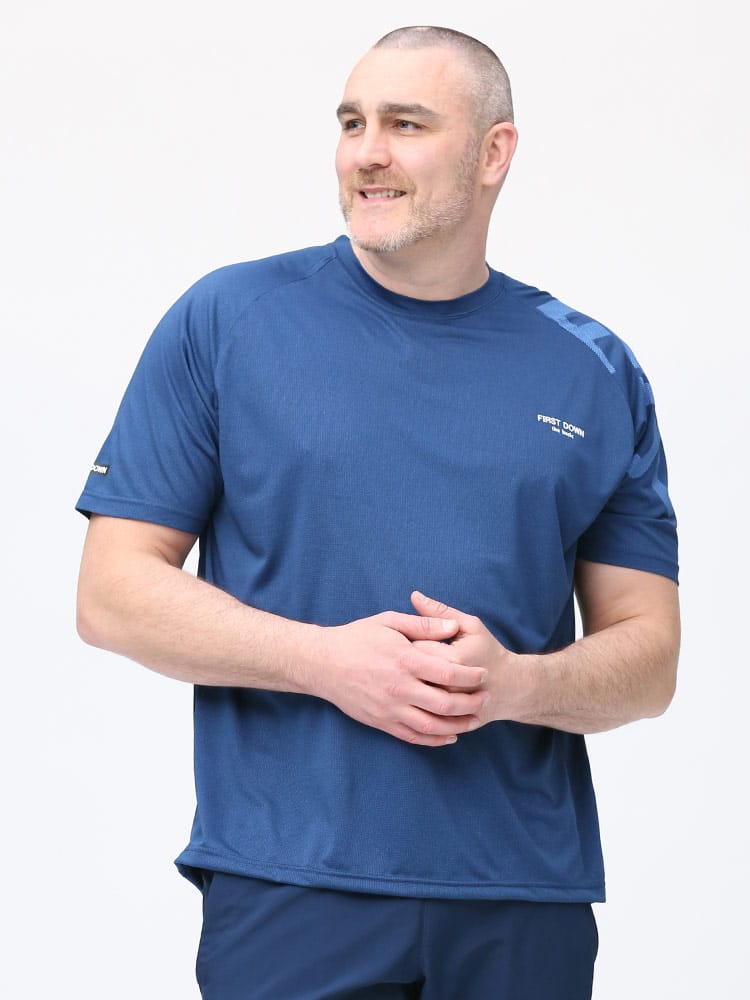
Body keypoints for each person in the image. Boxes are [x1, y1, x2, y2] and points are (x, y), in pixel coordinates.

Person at [76, 25, 680, 1000]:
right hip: (290, 882)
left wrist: (512, 685)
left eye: (406, 124)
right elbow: (112, 592)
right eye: (352, 122)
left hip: (524, 895)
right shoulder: (228, 321)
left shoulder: (594, 367)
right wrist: (325, 662)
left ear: (494, 152)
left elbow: (649, 657)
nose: (367, 152)